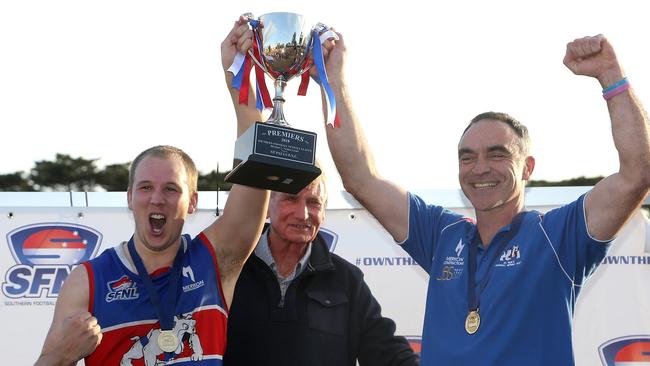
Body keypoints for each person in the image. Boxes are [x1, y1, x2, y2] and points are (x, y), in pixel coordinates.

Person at [320, 32, 650, 365]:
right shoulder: (441, 235)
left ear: (527, 168)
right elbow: (360, 177)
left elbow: (638, 174)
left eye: (496, 155)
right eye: (467, 157)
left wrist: (611, 76)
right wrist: (333, 78)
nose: (480, 169)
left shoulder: (558, 236)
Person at [34, 19, 270, 366]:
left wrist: (238, 75)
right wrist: (58, 356)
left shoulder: (214, 260)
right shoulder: (87, 281)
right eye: (146, 187)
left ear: (193, 203)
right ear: (129, 197)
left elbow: (256, 170)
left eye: (171, 189)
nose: (157, 198)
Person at [222, 19, 419, 366]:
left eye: (314, 202)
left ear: (326, 210)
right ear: (267, 203)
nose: (303, 213)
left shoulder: (345, 280)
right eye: (291, 200)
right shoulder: (229, 266)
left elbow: (389, 355)